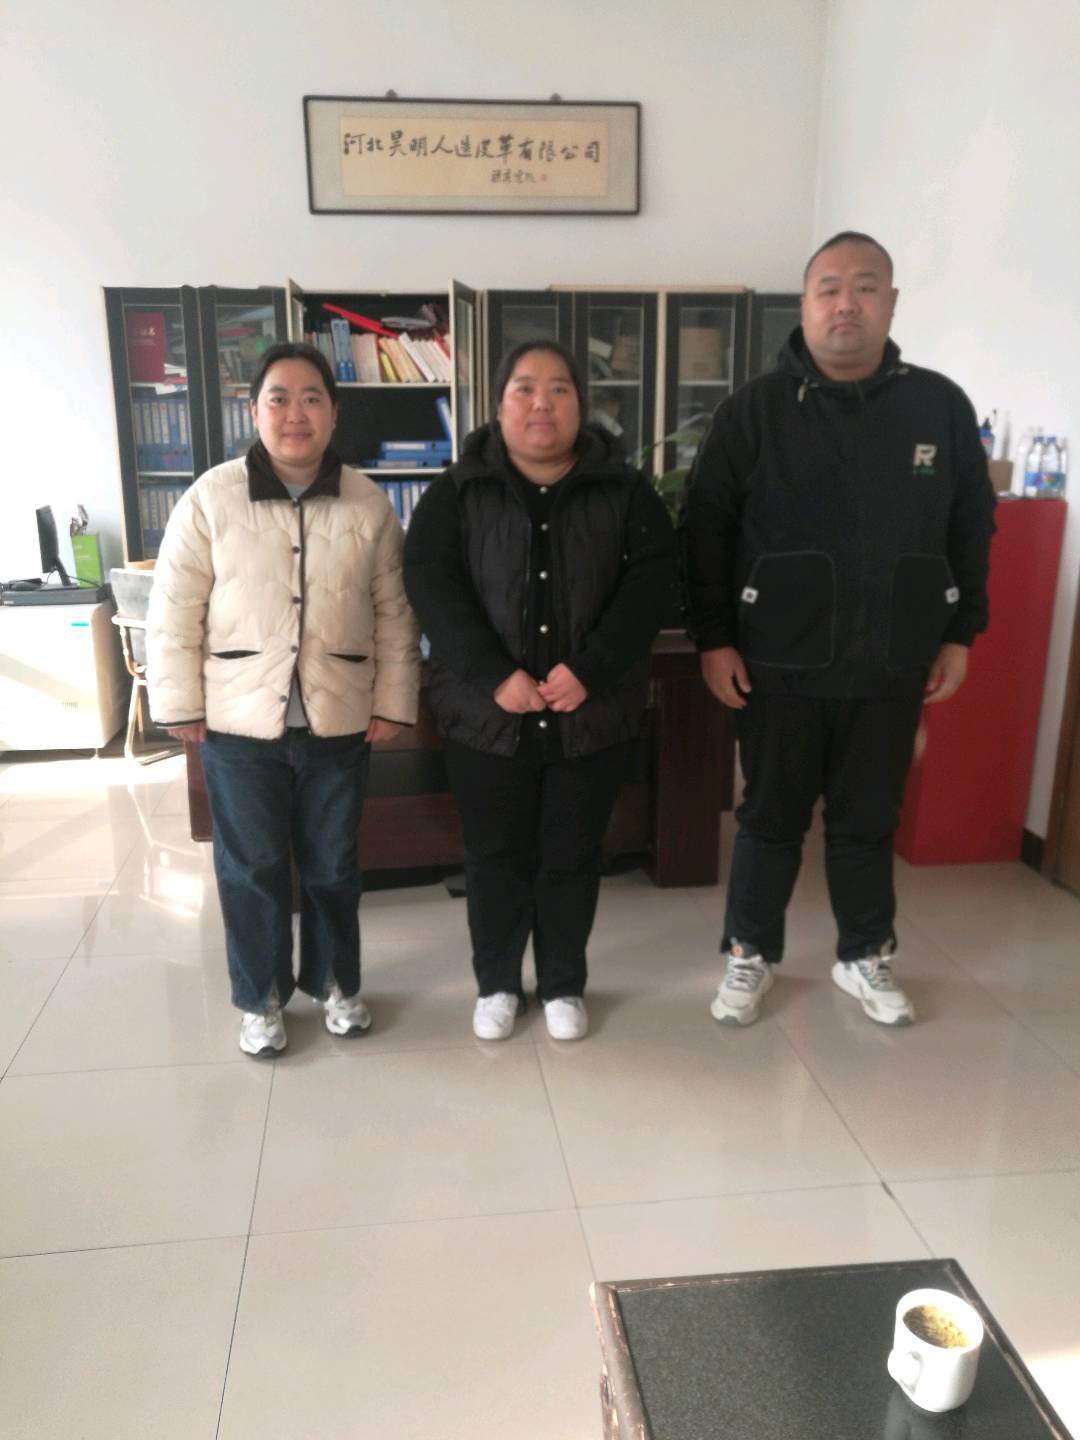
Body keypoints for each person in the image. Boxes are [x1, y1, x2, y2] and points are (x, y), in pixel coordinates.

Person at [681, 232, 996, 1028]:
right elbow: (706, 531)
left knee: (868, 822)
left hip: (893, 660)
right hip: (776, 665)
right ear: (805, 304)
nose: (846, 303)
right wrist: (714, 638)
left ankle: (863, 954)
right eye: (828, 288)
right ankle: (750, 953)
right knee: (769, 820)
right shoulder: (753, 411)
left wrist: (961, 632)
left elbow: (972, 527)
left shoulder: (939, 407)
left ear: (891, 302)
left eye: (865, 286)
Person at [146, 341, 420, 1056]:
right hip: (237, 725)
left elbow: (394, 613)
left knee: (333, 864)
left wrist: (393, 700)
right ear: (255, 410)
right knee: (251, 868)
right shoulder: (211, 498)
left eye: (311, 398)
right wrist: (180, 703)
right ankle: (261, 997)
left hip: (338, 719)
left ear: (334, 413)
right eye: (279, 398)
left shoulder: (368, 504)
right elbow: (174, 608)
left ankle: (334, 983)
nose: (295, 413)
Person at [403, 341, 675, 1041]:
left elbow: (651, 586)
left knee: (572, 856)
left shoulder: (625, 491)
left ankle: (562, 984)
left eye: (559, 388)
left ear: (581, 404)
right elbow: (431, 587)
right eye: (524, 388)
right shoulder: (456, 492)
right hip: (486, 715)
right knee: (494, 858)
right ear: (499, 405)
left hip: (591, 713)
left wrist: (593, 668)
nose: (541, 403)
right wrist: (495, 675)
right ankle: (497, 983)